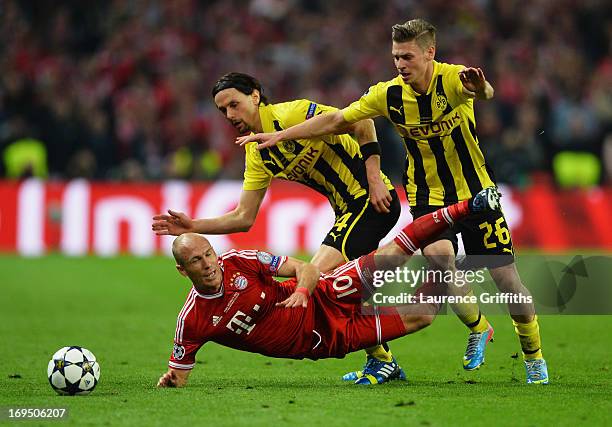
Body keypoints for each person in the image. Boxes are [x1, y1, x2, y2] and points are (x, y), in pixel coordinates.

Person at [235, 19, 548, 384]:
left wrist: (482, 89)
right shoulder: (388, 94)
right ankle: (479, 328)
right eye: (396, 56)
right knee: (439, 260)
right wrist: (281, 136)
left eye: (408, 56)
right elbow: (337, 119)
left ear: (430, 53)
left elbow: (484, 91)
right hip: (427, 195)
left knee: (507, 280)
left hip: (476, 190)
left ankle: (533, 355)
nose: (400, 63)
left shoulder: (452, 79)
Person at [152, 72, 404, 384]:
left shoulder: (292, 114)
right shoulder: (256, 153)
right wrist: (193, 225)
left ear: (255, 96)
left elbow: (361, 122)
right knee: (345, 282)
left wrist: (376, 177)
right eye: (223, 111)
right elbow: (244, 217)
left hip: (369, 200)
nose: (230, 115)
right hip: (346, 211)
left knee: (316, 278)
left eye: (234, 104)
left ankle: (384, 355)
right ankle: (387, 351)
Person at [157, 188, 500, 388]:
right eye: (197, 262)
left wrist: (303, 292)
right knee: (423, 316)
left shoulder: (239, 260)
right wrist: (171, 380)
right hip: (328, 338)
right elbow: (178, 375)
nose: (208, 264)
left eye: (208, 254)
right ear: (182, 271)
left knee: (392, 253)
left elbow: (303, 268)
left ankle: (472, 206)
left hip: (326, 292)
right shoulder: (192, 321)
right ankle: (447, 268)